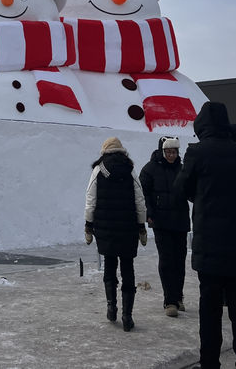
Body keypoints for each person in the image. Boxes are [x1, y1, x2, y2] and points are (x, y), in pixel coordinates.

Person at [175, 101, 236, 369]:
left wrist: (201, 197)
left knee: (209, 311)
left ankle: (210, 363)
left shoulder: (197, 153)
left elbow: (182, 188)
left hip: (210, 245)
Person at [84, 136, 147, 332]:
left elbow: (90, 199)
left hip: (105, 227)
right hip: (128, 226)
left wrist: (88, 224)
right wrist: (141, 225)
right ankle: (127, 316)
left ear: (105, 150)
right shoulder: (130, 169)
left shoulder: (99, 169)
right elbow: (139, 199)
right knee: (128, 268)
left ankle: (111, 307)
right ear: (121, 150)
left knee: (110, 266)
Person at [139, 135, 190, 317]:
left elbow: (190, 193)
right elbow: (143, 194)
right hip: (160, 221)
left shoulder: (183, 169)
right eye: (168, 152)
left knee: (179, 261)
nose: (171, 155)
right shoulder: (150, 169)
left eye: (174, 152)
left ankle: (178, 297)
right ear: (162, 151)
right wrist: (149, 213)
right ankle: (170, 301)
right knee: (167, 260)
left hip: (180, 220)